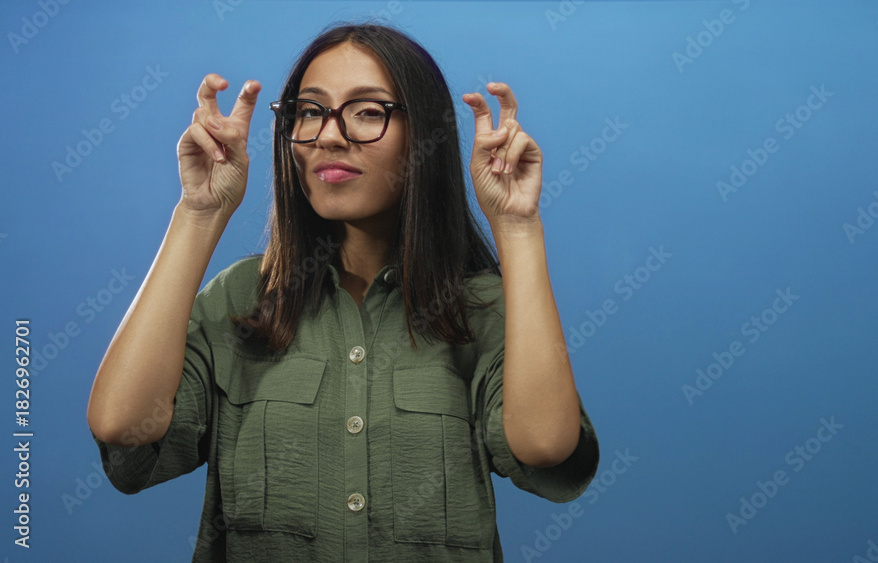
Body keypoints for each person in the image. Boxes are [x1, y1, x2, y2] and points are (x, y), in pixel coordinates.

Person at [86, 21, 599, 562]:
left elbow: (545, 446)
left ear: (424, 136)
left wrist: (517, 228)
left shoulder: (482, 310)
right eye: (310, 111)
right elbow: (121, 424)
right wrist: (199, 213)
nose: (330, 134)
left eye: (367, 111)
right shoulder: (241, 299)